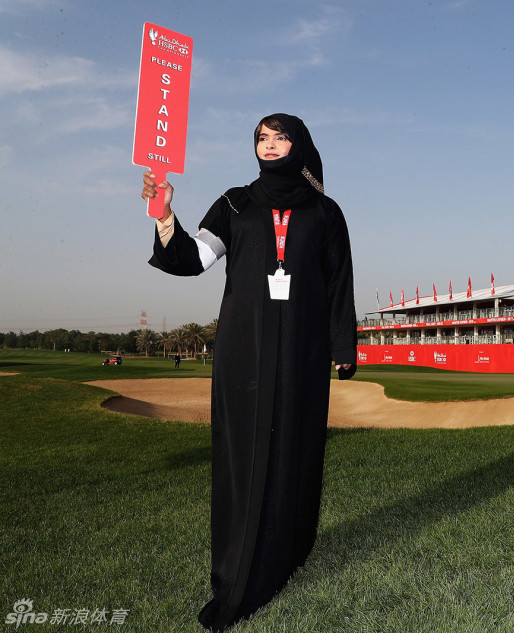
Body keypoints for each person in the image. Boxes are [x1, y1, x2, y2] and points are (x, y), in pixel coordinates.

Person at [141, 113, 357, 631]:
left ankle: (289, 550)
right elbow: (192, 258)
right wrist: (164, 213)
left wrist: (342, 345)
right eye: (263, 137)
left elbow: (338, 281)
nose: (270, 144)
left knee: (294, 449)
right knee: (243, 455)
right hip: (243, 353)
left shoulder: (325, 212)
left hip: (303, 353)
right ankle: (239, 571)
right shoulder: (235, 203)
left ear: (300, 145)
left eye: (281, 137)